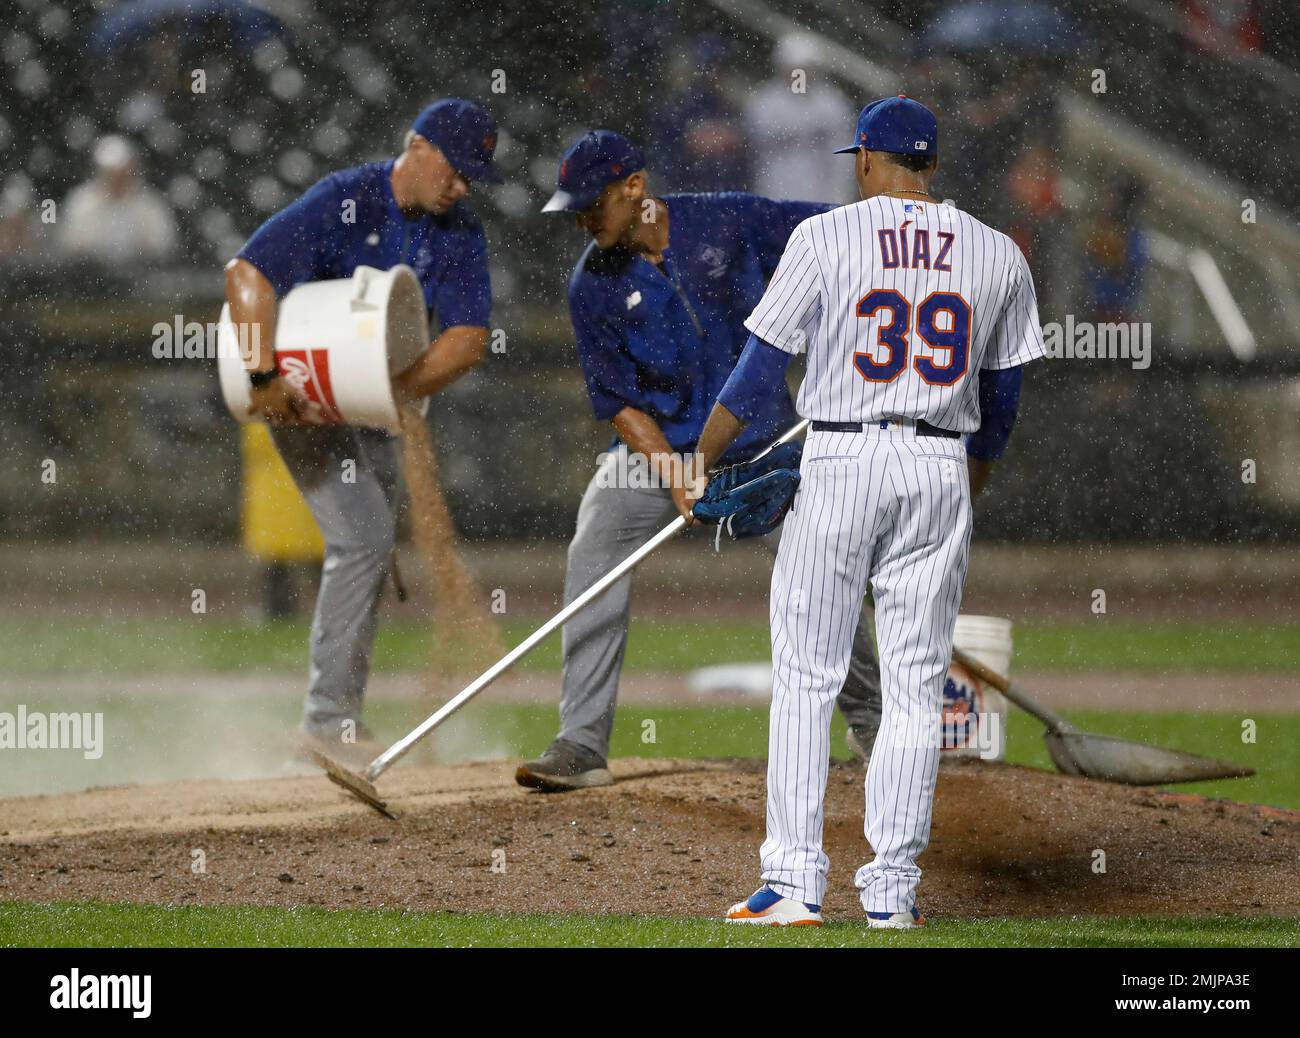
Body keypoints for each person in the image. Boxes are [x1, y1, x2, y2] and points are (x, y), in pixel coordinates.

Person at [684, 96, 1045, 927]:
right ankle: (893, 895)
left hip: (844, 455)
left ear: (869, 160)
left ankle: (794, 884)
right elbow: (1005, 400)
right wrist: (964, 484)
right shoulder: (999, 253)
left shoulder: (825, 236)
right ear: (933, 163)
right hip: (940, 462)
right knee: (917, 689)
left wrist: (698, 459)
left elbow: (757, 370)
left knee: (808, 676)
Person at [515, 129, 883, 793]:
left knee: (822, 570)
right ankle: (582, 742)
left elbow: (835, 235)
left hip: (764, 447)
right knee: (596, 545)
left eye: (589, 205)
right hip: (661, 454)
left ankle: (875, 724)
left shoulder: (727, 218)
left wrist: (902, 243)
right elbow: (619, 403)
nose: (580, 220)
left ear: (634, 189)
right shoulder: (589, 285)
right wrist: (674, 471)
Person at [224, 98, 502, 766]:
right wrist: (264, 375)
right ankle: (326, 722)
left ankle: (328, 720)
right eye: (455, 170)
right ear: (418, 145)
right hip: (291, 393)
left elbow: (468, 340)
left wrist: (390, 391)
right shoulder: (345, 197)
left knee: (365, 539)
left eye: (471, 178)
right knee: (366, 535)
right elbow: (246, 274)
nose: (460, 187)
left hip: (360, 391)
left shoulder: (459, 230)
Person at [742, 33, 857, 205]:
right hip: (775, 192)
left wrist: (841, 194)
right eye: (793, 69)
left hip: (822, 195)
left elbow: (842, 157)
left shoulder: (832, 104)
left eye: (804, 69)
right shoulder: (764, 103)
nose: (799, 76)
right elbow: (756, 152)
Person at [58, 135, 177, 264]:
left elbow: (164, 244)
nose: (116, 181)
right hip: (90, 274)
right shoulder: (81, 202)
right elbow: (70, 244)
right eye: (111, 175)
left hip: (142, 275)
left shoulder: (149, 203)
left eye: (122, 174)